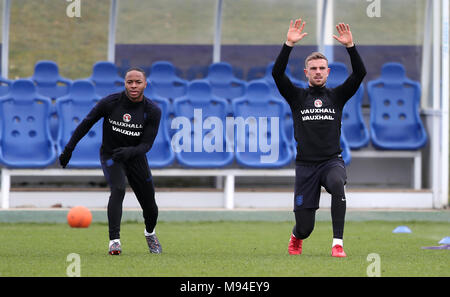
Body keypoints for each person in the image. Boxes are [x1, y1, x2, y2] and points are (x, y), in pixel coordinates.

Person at [272, 19, 366, 257]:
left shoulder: (337, 96)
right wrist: (288, 44)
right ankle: (296, 237)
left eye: (322, 68)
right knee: (305, 228)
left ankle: (337, 244)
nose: (317, 72)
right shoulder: (297, 96)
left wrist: (351, 46)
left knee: (337, 184)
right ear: (307, 72)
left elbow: (360, 73)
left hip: (331, 161)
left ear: (328, 72)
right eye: (313, 68)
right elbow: (276, 73)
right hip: (306, 167)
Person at [59, 67, 163, 255]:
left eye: (137, 82)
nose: (133, 85)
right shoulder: (110, 103)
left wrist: (130, 151)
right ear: (124, 83)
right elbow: (86, 123)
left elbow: (146, 144)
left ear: (145, 84)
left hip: (136, 157)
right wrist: (69, 149)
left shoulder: (153, 111)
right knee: (118, 188)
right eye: (129, 82)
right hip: (111, 156)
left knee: (150, 206)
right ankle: (114, 241)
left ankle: (150, 233)